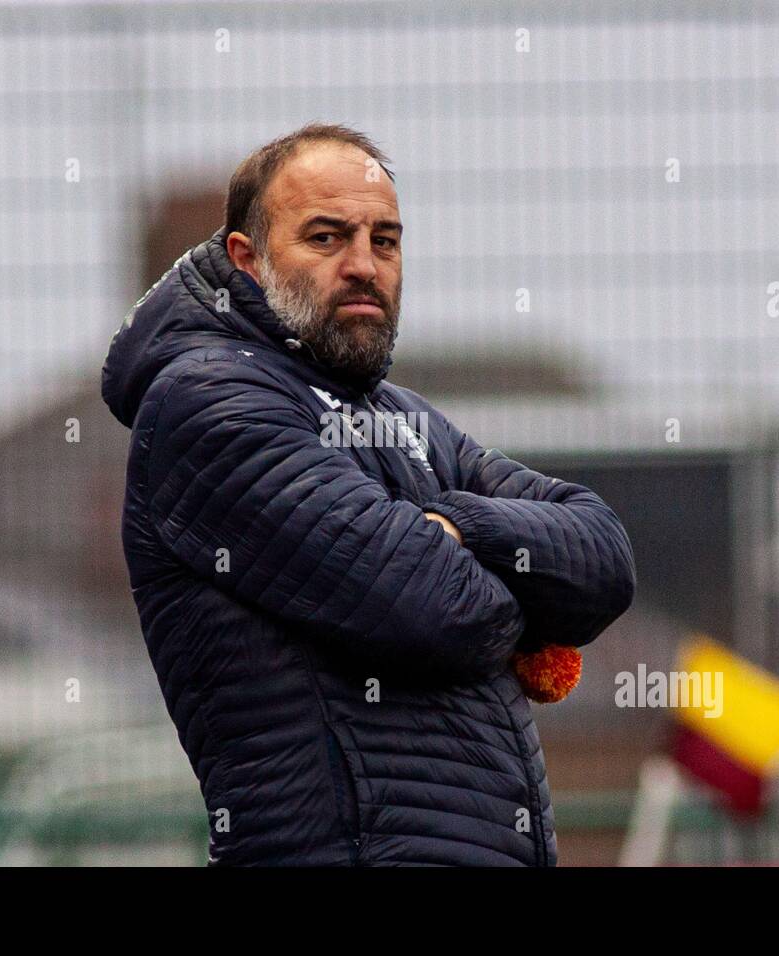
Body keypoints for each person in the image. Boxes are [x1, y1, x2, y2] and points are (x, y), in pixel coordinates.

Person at [101, 123, 635, 866]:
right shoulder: (205, 404)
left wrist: (453, 525)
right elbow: (439, 609)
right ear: (246, 260)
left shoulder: (404, 418)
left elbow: (604, 557)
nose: (363, 264)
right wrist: (514, 588)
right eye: (326, 238)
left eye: (384, 240)